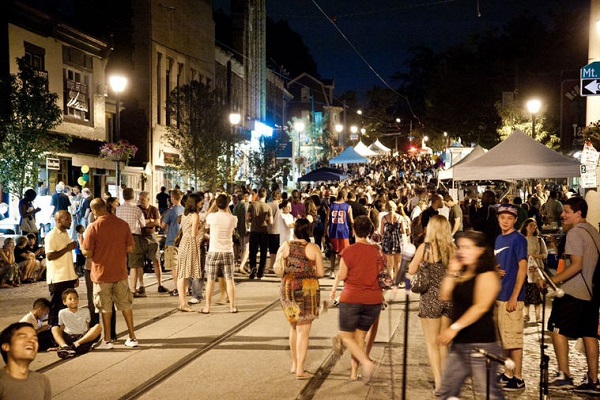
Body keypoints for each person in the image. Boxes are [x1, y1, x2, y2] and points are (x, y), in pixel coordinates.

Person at [437, 230, 504, 399]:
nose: (461, 251)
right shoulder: (463, 273)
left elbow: (480, 307)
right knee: (446, 392)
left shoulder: (488, 275)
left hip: (482, 345)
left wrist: (454, 328)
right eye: (460, 247)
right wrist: (451, 272)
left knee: (490, 393)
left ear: (480, 250)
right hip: (460, 344)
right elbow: (444, 296)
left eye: (467, 247)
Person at [547, 196, 600, 394]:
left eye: (567, 212)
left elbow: (576, 265)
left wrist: (554, 281)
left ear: (578, 214)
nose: (562, 215)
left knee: (556, 329)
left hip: (575, 291)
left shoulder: (575, 234)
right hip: (592, 293)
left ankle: (564, 375)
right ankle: (593, 380)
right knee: (589, 333)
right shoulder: (593, 231)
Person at [407, 214, 455, 394]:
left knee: (432, 343)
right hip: (449, 300)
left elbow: (411, 269)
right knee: (444, 343)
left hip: (430, 299)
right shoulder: (453, 249)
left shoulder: (425, 249)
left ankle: (439, 382)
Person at [330, 215, 381, 382]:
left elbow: (342, 275)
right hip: (373, 301)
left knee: (346, 336)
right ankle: (353, 372)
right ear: (370, 231)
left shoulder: (349, 251)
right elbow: (383, 275)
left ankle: (365, 362)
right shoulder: (377, 251)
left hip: (351, 299)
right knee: (360, 338)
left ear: (354, 230)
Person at [82, 198, 138, 349]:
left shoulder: (94, 227)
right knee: (125, 304)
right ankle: (132, 336)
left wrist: (82, 246)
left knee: (105, 307)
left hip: (101, 274)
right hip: (120, 272)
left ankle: (107, 340)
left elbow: (87, 253)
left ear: (94, 210)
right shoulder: (122, 224)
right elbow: (130, 249)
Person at [280, 218, 324, 379]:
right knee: (303, 330)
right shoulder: (313, 248)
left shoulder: (286, 246)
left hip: (288, 288)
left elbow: (280, 267)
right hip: (307, 290)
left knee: (293, 326)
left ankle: (294, 364)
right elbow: (320, 273)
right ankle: (300, 369)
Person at [494, 204, 528, 391]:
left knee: (514, 339)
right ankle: (508, 373)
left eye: (509, 218)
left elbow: (522, 268)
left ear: (515, 220)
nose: (505, 221)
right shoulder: (499, 238)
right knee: (505, 339)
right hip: (500, 295)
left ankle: (518, 377)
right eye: (502, 217)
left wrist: (515, 296)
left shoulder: (518, 239)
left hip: (511, 297)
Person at [201, 194, 238, 314]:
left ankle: (207, 306)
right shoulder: (233, 218)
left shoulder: (212, 217)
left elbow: (206, 220)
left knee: (210, 280)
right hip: (228, 252)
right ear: (228, 204)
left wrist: (212, 206)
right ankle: (232, 306)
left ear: (216, 204)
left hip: (213, 251)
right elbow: (233, 227)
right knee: (229, 279)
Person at [44, 210, 79, 326]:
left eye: (70, 219)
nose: (70, 221)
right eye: (67, 219)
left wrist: (74, 275)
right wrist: (67, 248)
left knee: (67, 308)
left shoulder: (65, 234)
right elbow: (50, 256)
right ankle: (52, 332)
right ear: (58, 220)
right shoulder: (51, 235)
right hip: (58, 277)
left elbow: (67, 258)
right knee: (56, 309)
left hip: (68, 276)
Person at [0, 322, 51, 399]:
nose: (31, 341)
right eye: (23, 337)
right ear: (6, 346)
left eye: (35, 339)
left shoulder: (42, 380)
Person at [50, 288, 101, 359]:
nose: (73, 300)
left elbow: (87, 326)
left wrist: (89, 336)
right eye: (70, 299)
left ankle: (74, 346)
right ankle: (65, 347)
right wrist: (59, 344)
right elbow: (61, 327)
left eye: (75, 298)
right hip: (68, 337)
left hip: (81, 338)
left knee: (98, 327)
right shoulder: (62, 312)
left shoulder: (85, 311)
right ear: (64, 302)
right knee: (54, 328)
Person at [176, 192, 205, 312]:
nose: (202, 204)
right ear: (196, 203)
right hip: (190, 244)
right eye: (201, 202)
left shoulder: (184, 214)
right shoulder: (195, 216)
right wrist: (202, 227)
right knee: (185, 273)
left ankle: (182, 302)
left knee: (182, 273)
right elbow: (194, 234)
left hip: (183, 243)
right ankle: (183, 304)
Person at [115, 188, 146, 298]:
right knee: (134, 264)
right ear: (133, 196)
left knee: (122, 263)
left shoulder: (118, 209)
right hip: (134, 237)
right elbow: (143, 224)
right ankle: (133, 289)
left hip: (119, 238)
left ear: (123, 196)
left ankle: (121, 288)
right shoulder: (137, 209)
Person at [137, 191, 167, 293]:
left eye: (143, 200)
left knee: (156, 260)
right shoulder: (137, 209)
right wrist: (149, 221)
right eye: (140, 199)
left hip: (151, 236)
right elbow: (137, 224)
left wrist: (145, 222)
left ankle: (160, 284)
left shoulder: (154, 209)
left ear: (148, 200)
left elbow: (157, 222)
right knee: (139, 262)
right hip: (140, 236)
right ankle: (141, 285)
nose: (141, 202)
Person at [519, 218, 547, 323]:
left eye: (534, 225)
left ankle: (538, 315)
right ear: (525, 226)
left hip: (536, 269)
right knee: (526, 292)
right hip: (524, 269)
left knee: (537, 292)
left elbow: (545, 254)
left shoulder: (539, 240)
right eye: (530, 225)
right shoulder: (521, 239)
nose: (532, 227)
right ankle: (526, 315)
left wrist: (534, 256)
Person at [325, 189, 353, 279]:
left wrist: (325, 231)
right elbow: (351, 221)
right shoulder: (347, 207)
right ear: (344, 197)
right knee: (344, 253)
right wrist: (353, 230)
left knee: (333, 252)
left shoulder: (331, 206)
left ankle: (332, 271)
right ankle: (342, 271)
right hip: (344, 231)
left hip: (333, 231)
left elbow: (327, 220)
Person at [160, 189, 184, 295]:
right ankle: (185, 288)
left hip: (172, 241)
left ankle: (177, 288)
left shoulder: (171, 211)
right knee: (182, 267)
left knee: (174, 267)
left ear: (173, 198)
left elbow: (163, 225)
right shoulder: (185, 210)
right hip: (183, 241)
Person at [247, 188, 273, 280]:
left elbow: (247, 218)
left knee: (253, 252)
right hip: (263, 231)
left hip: (254, 231)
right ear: (265, 195)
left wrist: (253, 220)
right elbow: (271, 222)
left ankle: (253, 268)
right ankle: (260, 273)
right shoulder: (268, 207)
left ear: (257, 195)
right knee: (263, 252)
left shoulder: (252, 205)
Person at [379, 200, 404, 278]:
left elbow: (381, 232)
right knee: (398, 262)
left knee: (390, 263)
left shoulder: (384, 218)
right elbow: (403, 231)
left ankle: (390, 279)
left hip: (388, 242)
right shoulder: (400, 217)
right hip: (398, 241)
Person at [232, 192, 250, 273]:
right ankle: (242, 265)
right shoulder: (245, 205)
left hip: (238, 230)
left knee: (242, 248)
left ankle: (244, 265)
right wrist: (247, 228)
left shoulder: (235, 207)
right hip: (245, 229)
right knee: (246, 248)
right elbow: (246, 218)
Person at [267, 190, 282, 273]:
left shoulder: (269, 205)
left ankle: (271, 266)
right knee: (276, 249)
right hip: (278, 229)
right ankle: (273, 266)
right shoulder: (279, 205)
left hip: (270, 229)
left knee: (272, 250)